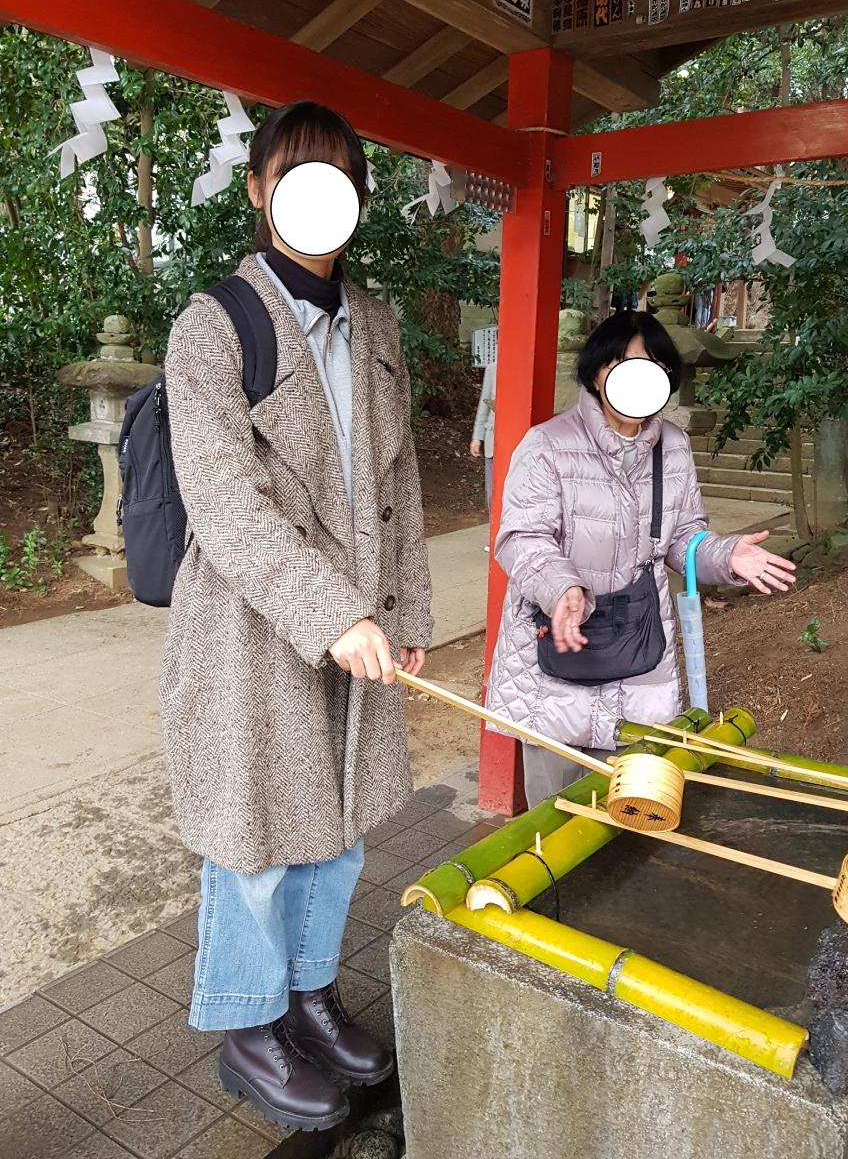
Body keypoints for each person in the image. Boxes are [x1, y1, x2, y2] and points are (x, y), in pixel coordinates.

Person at [161, 101, 432, 1132]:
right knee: (259, 837)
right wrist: (332, 613)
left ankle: (307, 995)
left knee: (341, 826)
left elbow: (400, 479)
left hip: (359, 618)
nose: (320, 197)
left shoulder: (375, 321)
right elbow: (224, 501)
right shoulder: (212, 324)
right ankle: (248, 1026)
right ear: (258, 189)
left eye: (340, 179)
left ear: (357, 198)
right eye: (295, 175)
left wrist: (404, 608)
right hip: (250, 625)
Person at [485, 311, 794, 809]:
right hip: (557, 650)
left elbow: (683, 538)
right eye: (622, 365)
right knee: (553, 816)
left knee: (628, 811)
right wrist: (562, 588)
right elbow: (522, 537)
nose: (636, 379)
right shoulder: (546, 445)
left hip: (639, 654)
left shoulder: (673, 446)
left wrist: (726, 555)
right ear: (595, 372)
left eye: (652, 367)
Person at [470, 359, 496, 526]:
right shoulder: (493, 369)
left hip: (516, 440)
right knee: (492, 493)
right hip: (493, 438)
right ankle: (493, 530)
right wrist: (477, 437)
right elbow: (484, 403)